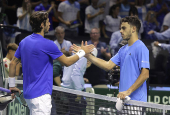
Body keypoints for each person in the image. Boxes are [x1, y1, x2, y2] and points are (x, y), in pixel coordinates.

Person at [8, 11, 94, 115]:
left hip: (29, 96)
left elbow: (12, 64)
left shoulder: (24, 42)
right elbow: (67, 62)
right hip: (41, 97)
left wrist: (12, 85)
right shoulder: (48, 44)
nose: (50, 24)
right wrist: (82, 52)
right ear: (41, 25)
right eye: (48, 22)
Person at [73, 16, 150, 101]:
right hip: (122, 100)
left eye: (124, 28)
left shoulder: (141, 47)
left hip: (136, 102)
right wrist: (87, 55)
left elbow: (145, 74)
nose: (120, 31)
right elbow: (108, 65)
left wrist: (128, 91)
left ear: (133, 29)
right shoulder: (123, 50)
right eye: (120, 28)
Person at [61, 47, 98, 114]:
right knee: (77, 110)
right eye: (90, 55)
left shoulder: (76, 57)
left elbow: (72, 73)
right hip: (72, 91)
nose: (89, 60)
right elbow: (75, 74)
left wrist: (81, 79)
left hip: (66, 89)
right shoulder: (83, 58)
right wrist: (78, 92)